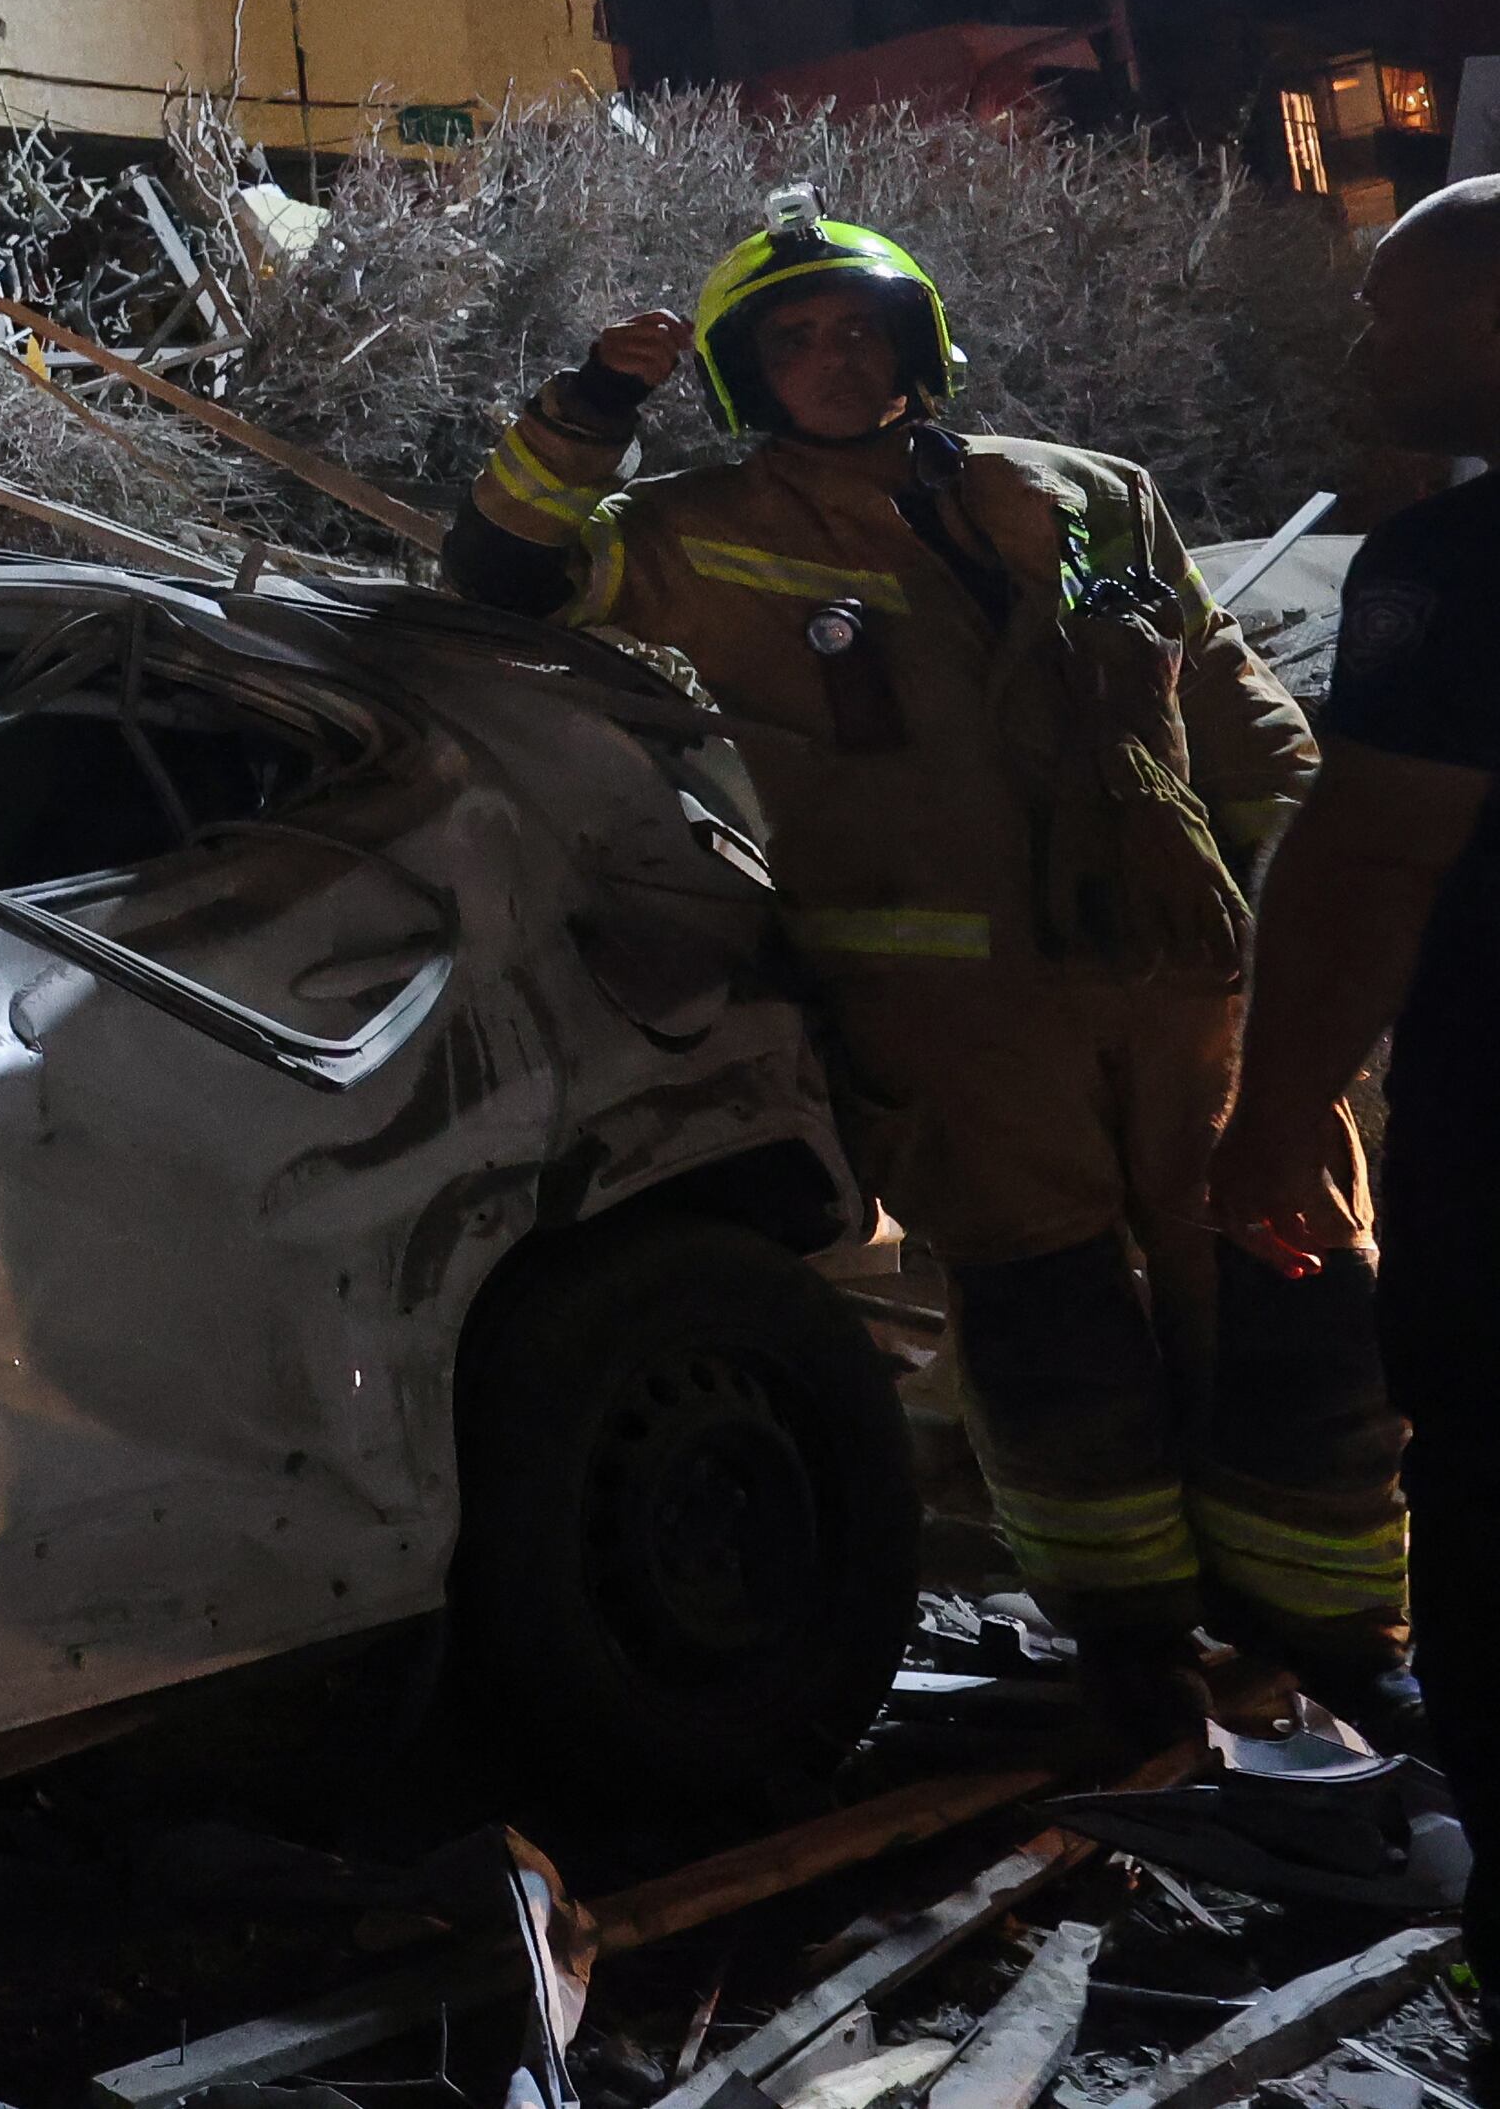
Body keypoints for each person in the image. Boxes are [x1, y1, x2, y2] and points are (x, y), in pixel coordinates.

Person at [446, 186, 1409, 1738]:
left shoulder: (1092, 494)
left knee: (1295, 1283)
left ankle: (1341, 1628)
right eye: (793, 338)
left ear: (917, 337)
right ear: (748, 372)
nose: (832, 357)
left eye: (858, 326)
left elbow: (1236, 717)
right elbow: (499, 577)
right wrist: (591, 406)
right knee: (1051, 1325)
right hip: (954, 1022)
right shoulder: (701, 532)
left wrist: (1339, 922)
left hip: (1190, 991)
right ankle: (1133, 1643)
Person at [1214, 172, 1500, 1803]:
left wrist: (1272, 1112)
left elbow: (1370, 860)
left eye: (1396, 306)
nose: (1364, 337)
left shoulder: (1456, 565)